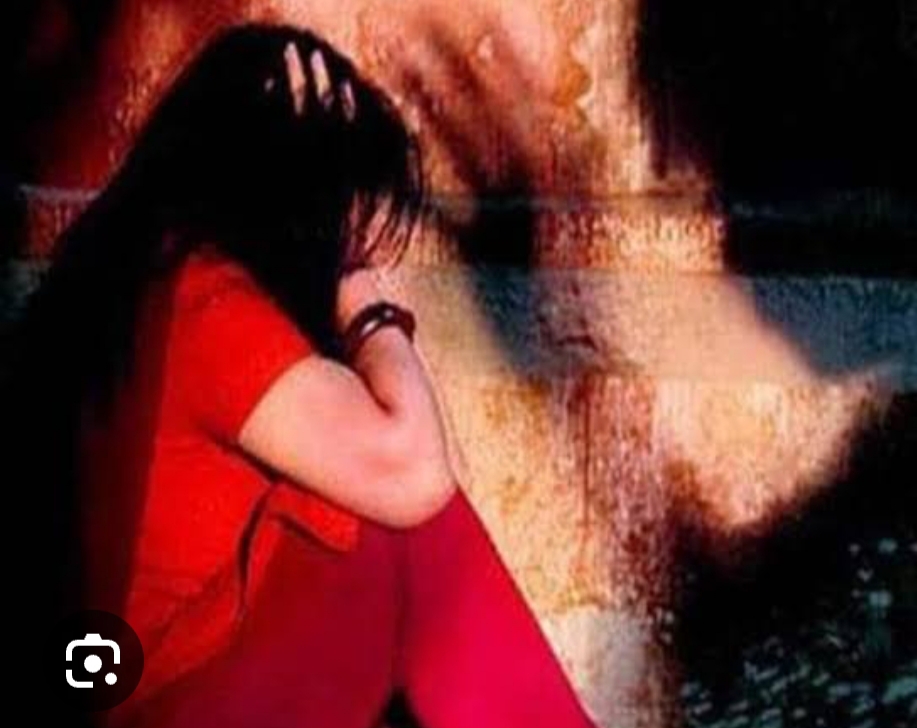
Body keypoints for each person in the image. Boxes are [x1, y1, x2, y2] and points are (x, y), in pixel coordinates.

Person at [8, 23, 596, 728]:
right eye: (348, 212)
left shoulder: (148, 275)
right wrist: (359, 289)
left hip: (124, 680)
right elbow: (416, 481)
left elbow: (435, 480)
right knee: (376, 524)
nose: (356, 238)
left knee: (386, 498)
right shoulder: (205, 301)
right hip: (158, 704)